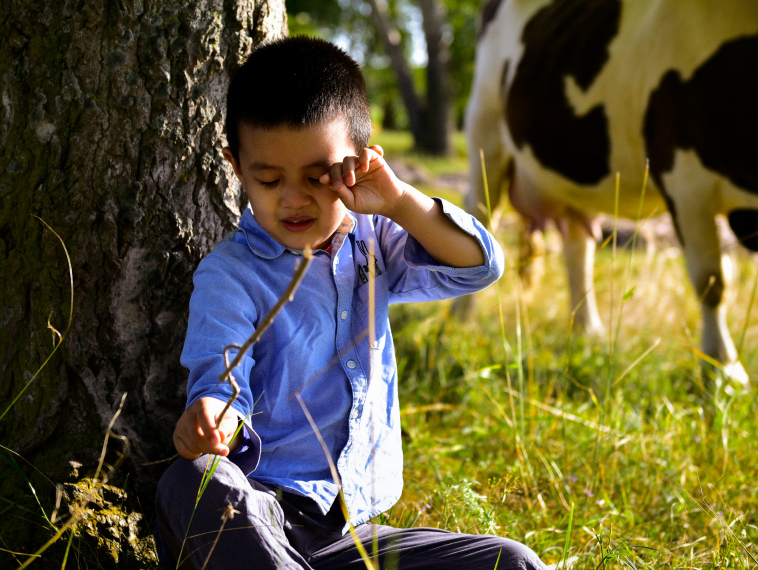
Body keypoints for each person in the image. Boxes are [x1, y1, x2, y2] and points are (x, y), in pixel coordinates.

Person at [154, 36, 547, 569]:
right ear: (236, 167)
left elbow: (480, 265)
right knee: (196, 482)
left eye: (318, 177)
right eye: (268, 180)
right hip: (261, 520)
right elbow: (221, 380)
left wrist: (401, 202)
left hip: (354, 537)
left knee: (513, 561)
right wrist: (212, 419)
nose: (293, 199)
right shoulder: (232, 275)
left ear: (359, 163)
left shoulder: (375, 241)